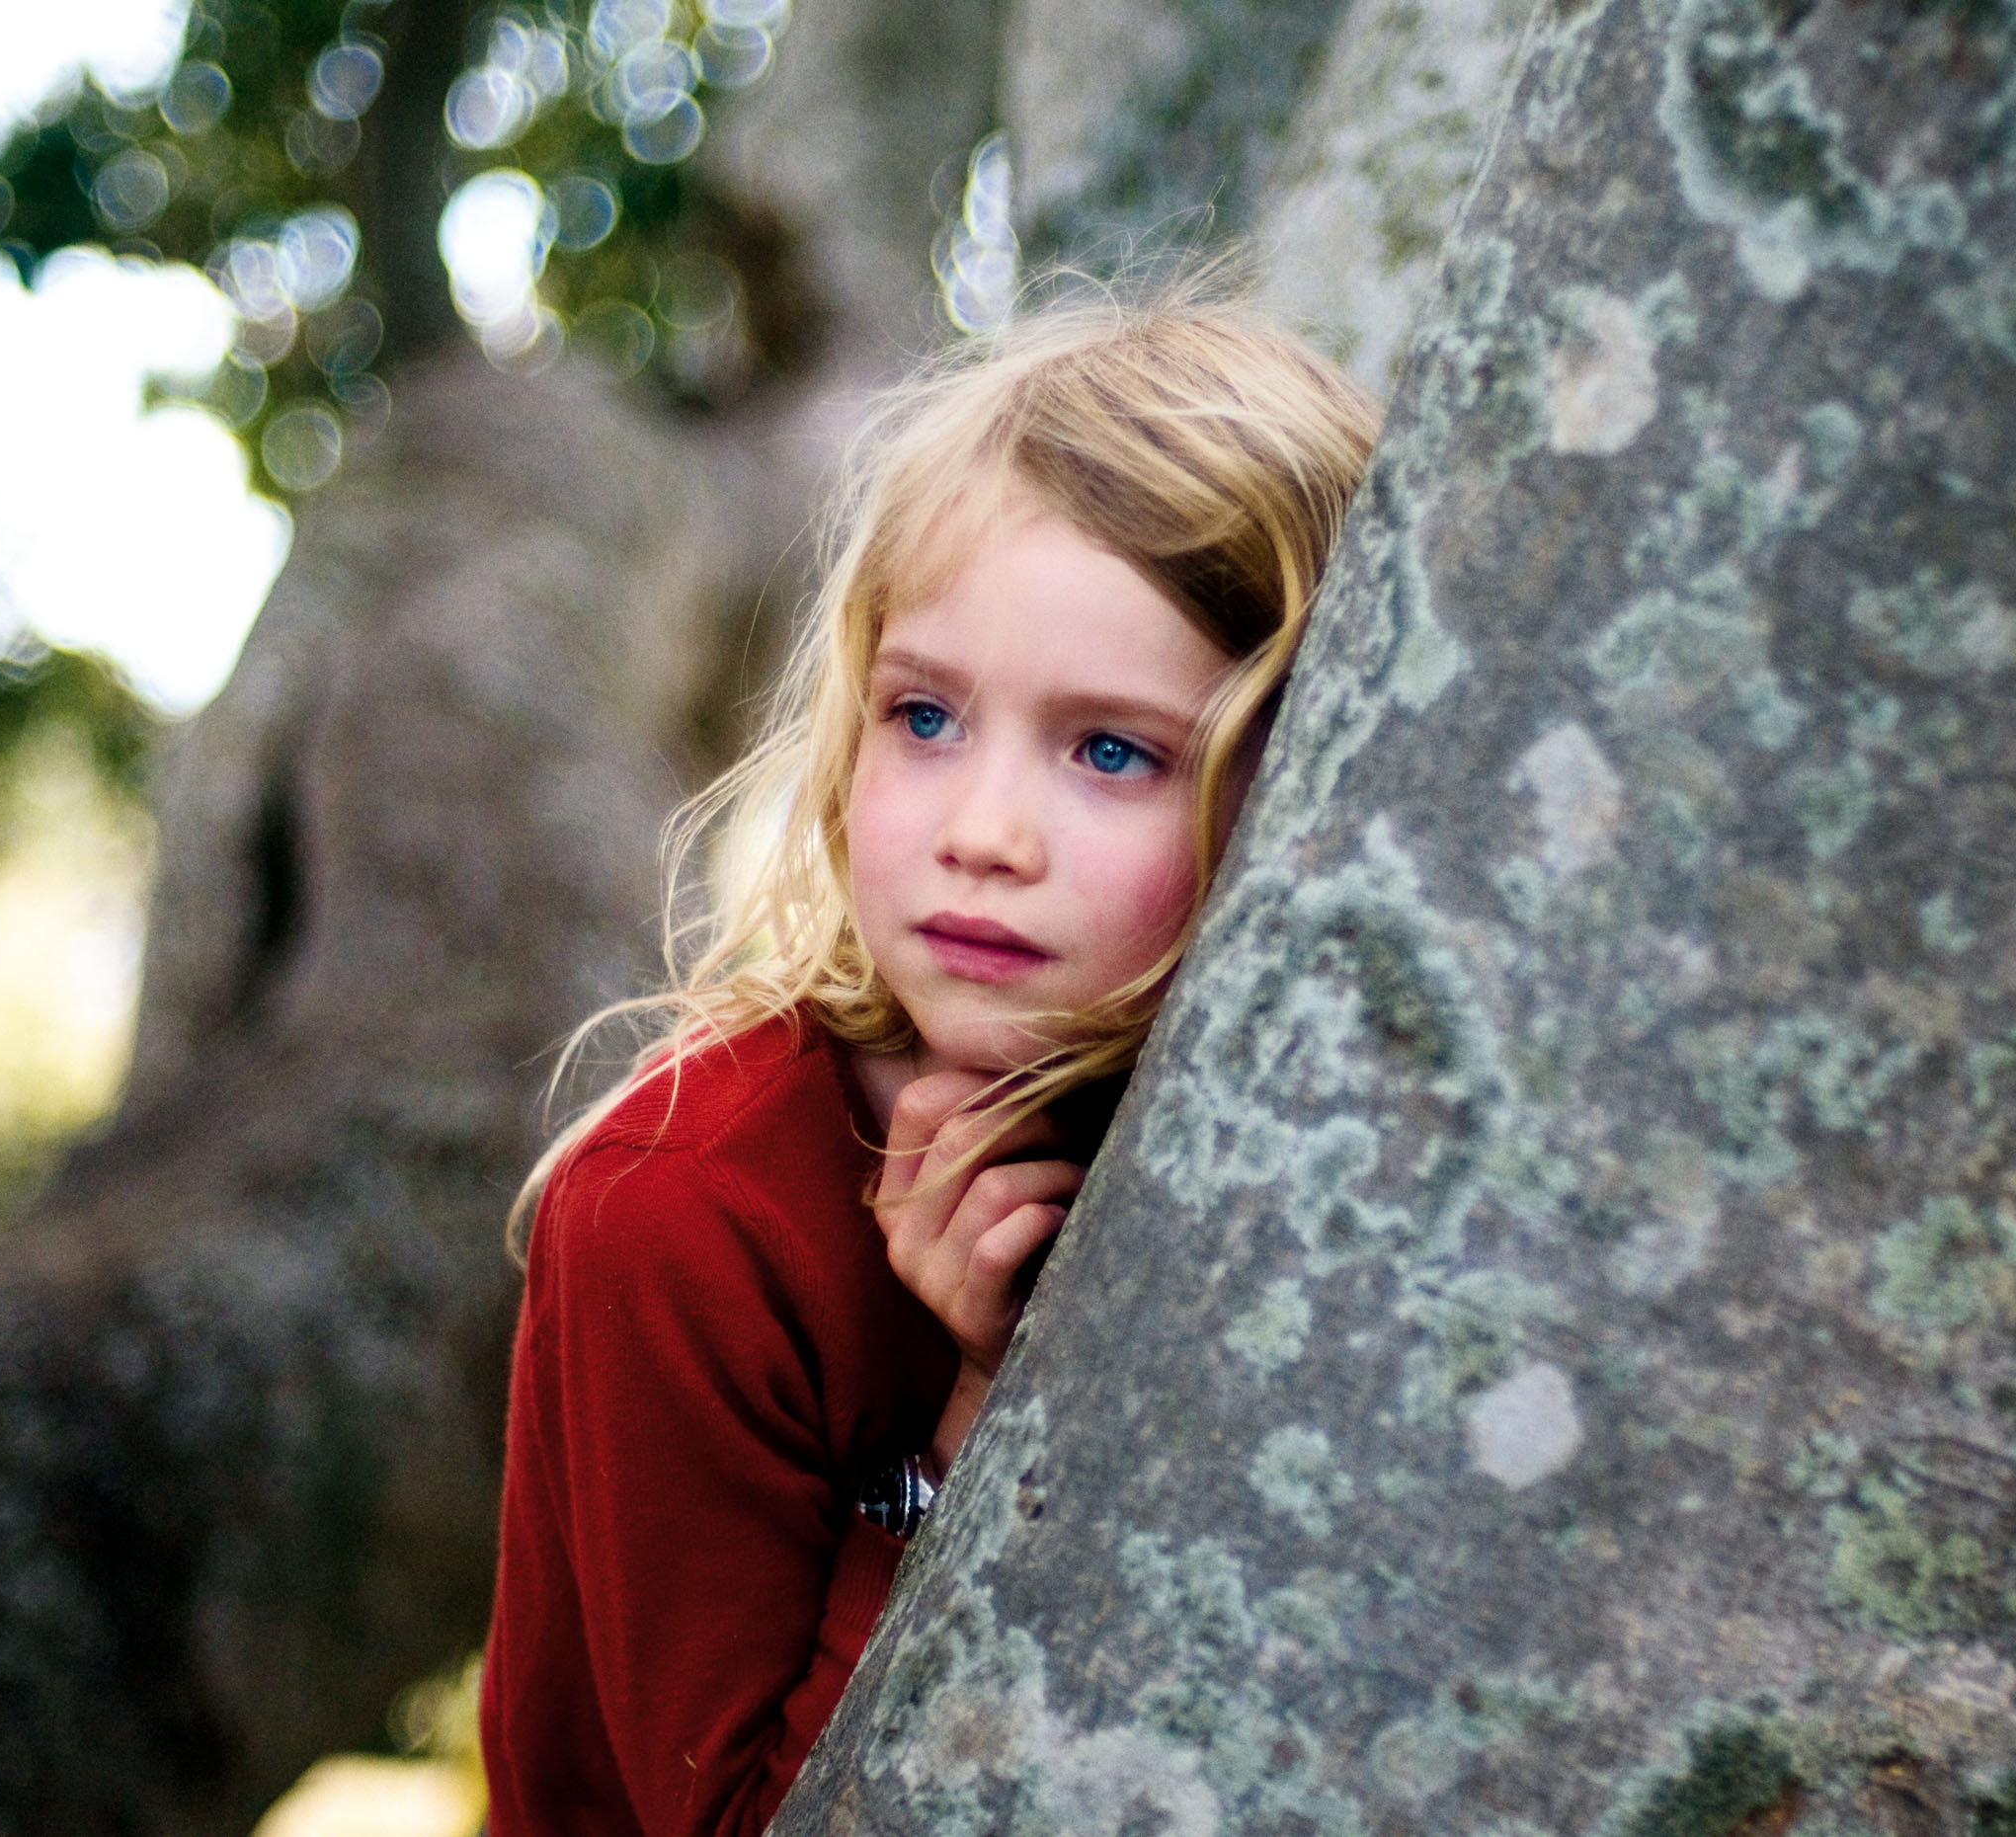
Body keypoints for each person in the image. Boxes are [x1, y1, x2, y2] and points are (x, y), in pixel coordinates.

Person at [477, 287, 1381, 1836]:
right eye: (924, 717)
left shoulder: (1274, 1128)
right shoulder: (677, 1219)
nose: (983, 833)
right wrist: (985, 1415)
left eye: (1112, 750)